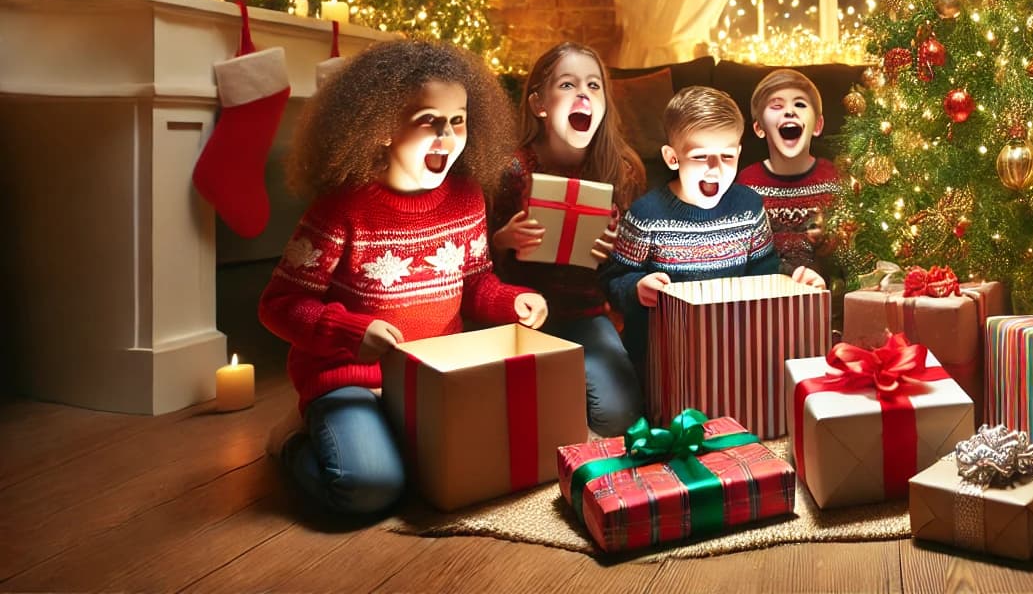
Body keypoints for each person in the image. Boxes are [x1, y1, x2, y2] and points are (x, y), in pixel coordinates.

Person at [259, 40, 546, 516]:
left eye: (457, 121)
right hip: (348, 379)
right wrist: (351, 331)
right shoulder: (342, 210)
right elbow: (279, 304)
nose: (447, 136)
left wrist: (515, 301)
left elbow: (475, 285)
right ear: (382, 128)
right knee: (369, 488)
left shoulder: (467, 198)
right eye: (428, 120)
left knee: (489, 465)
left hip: (435, 378)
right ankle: (291, 443)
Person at [602, 86, 826, 373]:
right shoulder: (647, 215)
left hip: (733, 347)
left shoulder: (748, 207)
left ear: (739, 153)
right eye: (700, 156)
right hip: (666, 356)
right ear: (673, 158)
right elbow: (614, 278)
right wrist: (636, 288)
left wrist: (793, 282)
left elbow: (763, 273)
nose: (715, 169)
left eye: (727, 156)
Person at [489, 42, 647, 436]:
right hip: (522, 314)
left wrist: (617, 251)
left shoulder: (621, 169)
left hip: (588, 314)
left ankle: (570, 382)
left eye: (594, 86)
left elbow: (635, 263)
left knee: (618, 418)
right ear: (539, 103)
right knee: (512, 422)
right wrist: (503, 240)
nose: (583, 94)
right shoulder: (512, 170)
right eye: (567, 85)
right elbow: (476, 263)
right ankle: (555, 386)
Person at [737, 69, 840, 281]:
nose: (790, 112)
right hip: (768, 297)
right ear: (759, 128)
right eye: (777, 106)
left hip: (823, 296)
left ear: (818, 125)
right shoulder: (747, 184)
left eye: (800, 104)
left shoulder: (834, 178)